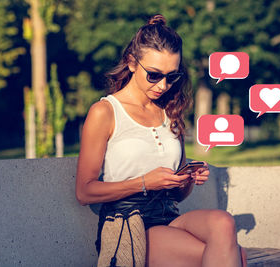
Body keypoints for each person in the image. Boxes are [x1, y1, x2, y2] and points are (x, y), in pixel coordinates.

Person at [75, 14, 247, 267]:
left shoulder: (171, 111)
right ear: (132, 62)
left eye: (172, 76)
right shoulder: (106, 112)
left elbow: (178, 195)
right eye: (154, 75)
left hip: (169, 217)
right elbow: (84, 191)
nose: (164, 85)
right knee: (234, 257)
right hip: (129, 223)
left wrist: (186, 178)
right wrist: (144, 182)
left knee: (224, 222)